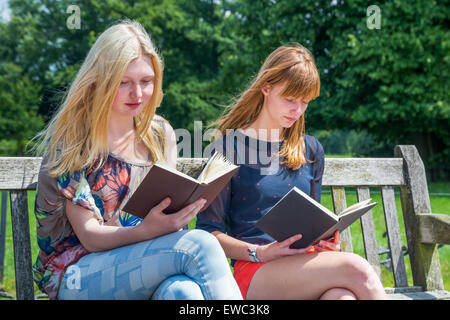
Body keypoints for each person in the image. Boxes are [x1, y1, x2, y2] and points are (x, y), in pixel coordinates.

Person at [32, 20, 242, 300]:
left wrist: (177, 215)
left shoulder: (160, 134)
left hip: (143, 261)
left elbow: (165, 214)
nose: (138, 94)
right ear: (100, 80)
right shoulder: (73, 140)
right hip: (77, 274)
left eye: (146, 81)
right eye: (124, 83)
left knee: (183, 293)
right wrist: (147, 230)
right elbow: (90, 236)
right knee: (200, 245)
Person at [196, 44, 387, 300]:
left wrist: (326, 239)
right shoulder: (227, 150)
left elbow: (313, 220)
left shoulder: (311, 149)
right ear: (266, 87)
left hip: (305, 265)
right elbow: (208, 233)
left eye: (304, 102)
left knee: (342, 298)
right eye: (290, 99)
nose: (297, 111)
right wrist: (260, 252)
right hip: (256, 270)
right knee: (358, 269)